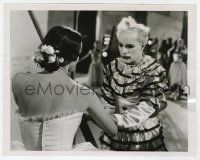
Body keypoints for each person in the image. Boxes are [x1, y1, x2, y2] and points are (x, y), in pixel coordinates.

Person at [11, 26, 117, 151]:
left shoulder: (18, 81)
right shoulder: (85, 94)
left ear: (44, 51)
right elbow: (112, 130)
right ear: (75, 58)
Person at [100, 16, 169, 151]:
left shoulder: (152, 70)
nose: (124, 51)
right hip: (116, 130)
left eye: (130, 46)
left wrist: (117, 120)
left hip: (142, 133)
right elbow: (108, 101)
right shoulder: (113, 67)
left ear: (142, 46)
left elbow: (147, 106)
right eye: (121, 45)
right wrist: (107, 120)